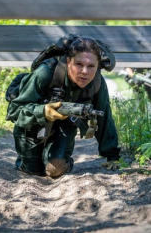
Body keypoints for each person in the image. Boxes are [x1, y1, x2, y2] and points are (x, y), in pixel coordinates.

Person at [7, 37, 121, 178]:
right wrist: (43, 111)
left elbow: (104, 117)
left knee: (55, 169)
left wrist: (112, 156)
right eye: (79, 64)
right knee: (32, 170)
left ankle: (58, 156)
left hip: (65, 125)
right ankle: (27, 159)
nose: (85, 71)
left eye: (91, 66)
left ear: (97, 66)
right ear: (68, 62)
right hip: (32, 125)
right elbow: (15, 110)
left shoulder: (97, 82)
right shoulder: (45, 73)